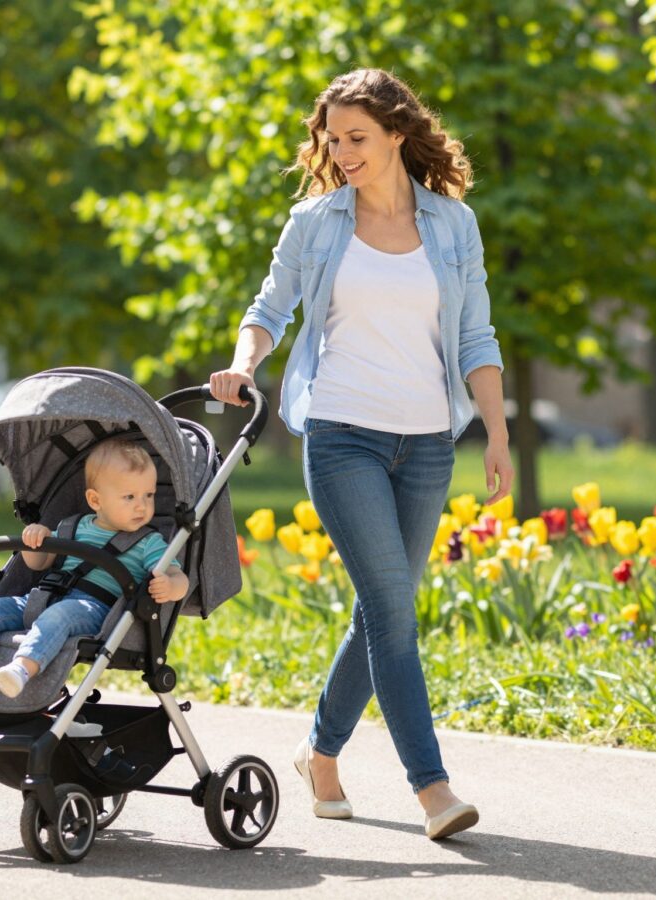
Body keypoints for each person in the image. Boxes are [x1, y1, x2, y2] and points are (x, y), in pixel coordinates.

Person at [210, 68, 513, 841]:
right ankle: (433, 788)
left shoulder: (453, 225)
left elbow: (476, 334)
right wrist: (244, 365)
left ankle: (320, 752)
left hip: (427, 443)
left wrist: (497, 434)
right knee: (391, 612)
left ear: (398, 136)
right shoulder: (315, 224)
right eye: (333, 138)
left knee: (383, 609)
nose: (341, 152)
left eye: (357, 138)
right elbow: (269, 307)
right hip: (342, 432)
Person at [0, 437, 189, 698]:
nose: (142, 505)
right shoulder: (73, 526)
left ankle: (22, 669)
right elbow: (37, 564)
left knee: (58, 616)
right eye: (129, 496)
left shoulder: (149, 542)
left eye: (149, 495)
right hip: (42, 597)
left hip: (94, 609)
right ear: (96, 501)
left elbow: (179, 577)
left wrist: (172, 586)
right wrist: (36, 539)